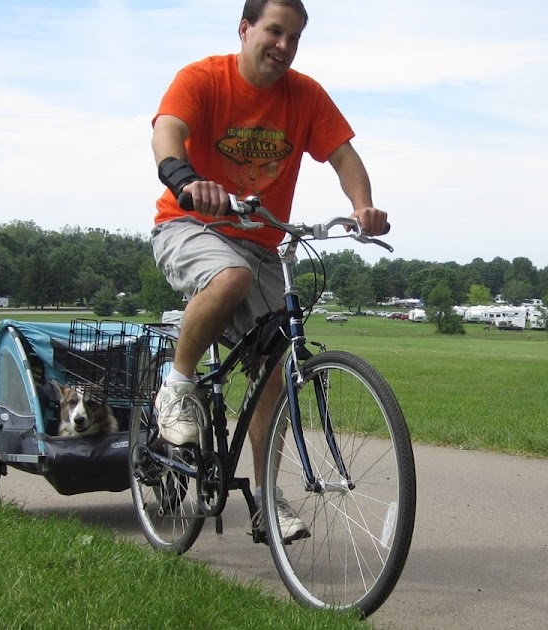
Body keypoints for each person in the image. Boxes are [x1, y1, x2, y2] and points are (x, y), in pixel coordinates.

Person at [150, 0, 389, 541]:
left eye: (295, 37)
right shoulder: (203, 79)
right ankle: (177, 386)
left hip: (261, 246)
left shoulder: (305, 95)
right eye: (275, 32)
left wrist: (363, 206)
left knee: (274, 372)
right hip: (190, 226)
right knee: (228, 277)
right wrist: (186, 180)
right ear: (245, 29)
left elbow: (345, 159)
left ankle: (265, 496)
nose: (284, 46)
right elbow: (167, 131)